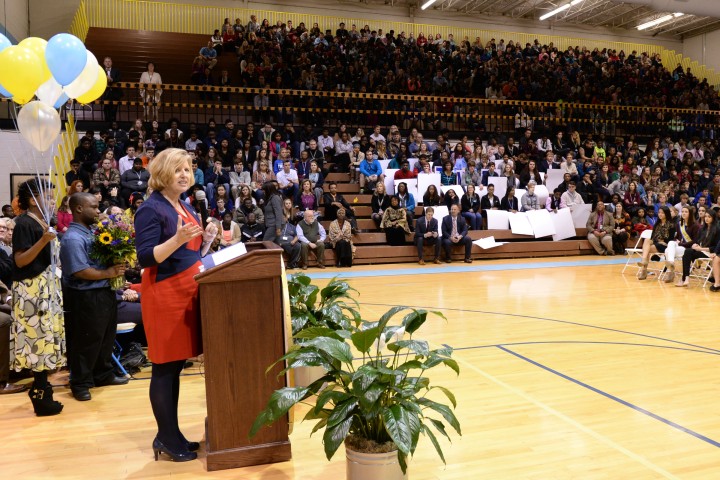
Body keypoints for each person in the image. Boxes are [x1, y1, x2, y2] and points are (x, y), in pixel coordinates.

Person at [134, 148, 217, 462]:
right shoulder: (150, 208)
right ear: (162, 173)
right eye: (178, 169)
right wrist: (179, 239)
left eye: (188, 169)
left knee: (176, 366)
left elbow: (190, 252)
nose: (185, 174)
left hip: (187, 290)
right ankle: (166, 438)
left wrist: (206, 239)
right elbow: (145, 257)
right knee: (164, 367)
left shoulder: (183, 204)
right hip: (165, 294)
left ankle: (173, 433)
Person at [60, 193, 129, 402]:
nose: (98, 211)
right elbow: (79, 271)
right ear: (79, 209)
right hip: (85, 296)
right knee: (87, 340)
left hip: (103, 292)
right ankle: (80, 383)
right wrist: (109, 273)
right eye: (94, 207)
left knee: (105, 337)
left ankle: (103, 374)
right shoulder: (73, 238)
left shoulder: (92, 232)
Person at [11, 179, 66, 416]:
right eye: (49, 197)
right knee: (37, 339)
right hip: (32, 288)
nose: (53, 201)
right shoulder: (24, 223)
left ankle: (42, 389)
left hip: (46, 286)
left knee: (45, 338)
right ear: (33, 200)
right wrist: (44, 240)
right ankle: (40, 392)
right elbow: (20, 260)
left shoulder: (43, 222)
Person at [676, 210, 719, 287]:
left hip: (711, 253)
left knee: (688, 252)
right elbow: (697, 241)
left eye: (709, 217)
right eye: (705, 216)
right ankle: (686, 278)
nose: (706, 218)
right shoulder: (702, 229)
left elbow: (716, 247)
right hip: (701, 251)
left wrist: (701, 249)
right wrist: (695, 245)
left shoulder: (717, 230)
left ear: (713, 218)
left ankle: (684, 278)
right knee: (687, 252)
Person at [637, 206, 675, 280]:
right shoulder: (657, 224)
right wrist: (658, 241)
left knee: (646, 250)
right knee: (647, 240)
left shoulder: (671, 225)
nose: (660, 214)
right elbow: (653, 237)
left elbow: (670, 239)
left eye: (662, 213)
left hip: (665, 245)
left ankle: (643, 269)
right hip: (656, 242)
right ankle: (644, 262)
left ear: (666, 214)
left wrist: (661, 242)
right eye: (659, 213)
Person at [662, 206, 698, 283]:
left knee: (667, 250)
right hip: (680, 247)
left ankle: (670, 271)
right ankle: (671, 262)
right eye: (683, 212)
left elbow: (695, 241)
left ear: (690, 213)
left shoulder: (695, 225)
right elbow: (677, 237)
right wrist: (676, 241)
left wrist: (681, 243)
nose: (684, 213)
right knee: (671, 243)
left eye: (686, 212)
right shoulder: (679, 224)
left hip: (688, 249)